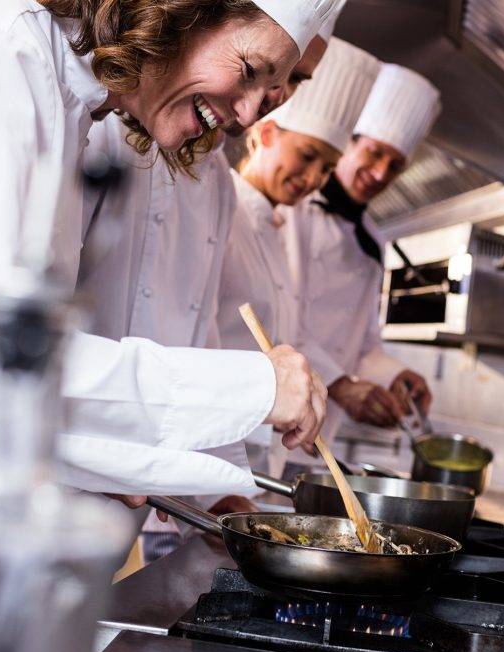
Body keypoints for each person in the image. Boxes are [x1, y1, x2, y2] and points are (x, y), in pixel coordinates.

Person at [0, 0, 339, 652]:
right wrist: (255, 387)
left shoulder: (58, 86)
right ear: (180, 10)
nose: (246, 113)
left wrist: (137, 460)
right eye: (248, 70)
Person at [78, 5, 347, 550]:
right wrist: (253, 390)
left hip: (121, 494)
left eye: (292, 80)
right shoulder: (98, 127)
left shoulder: (215, 180)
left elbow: (199, 334)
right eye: (259, 71)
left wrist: (215, 489)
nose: (265, 102)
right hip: (59, 474)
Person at [216, 38, 380, 476]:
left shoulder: (277, 229)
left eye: (326, 168)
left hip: (246, 461)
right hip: (203, 458)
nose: (313, 178)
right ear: (265, 134)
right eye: (307, 156)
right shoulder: (221, 205)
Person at [285, 63, 442, 445]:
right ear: (347, 145)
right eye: (374, 153)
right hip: (267, 419)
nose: (380, 173)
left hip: (320, 429)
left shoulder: (372, 241)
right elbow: (278, 320)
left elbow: (363, 345)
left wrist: (394, 375)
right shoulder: (291, 211)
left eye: (395, 166)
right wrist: (339, 384)